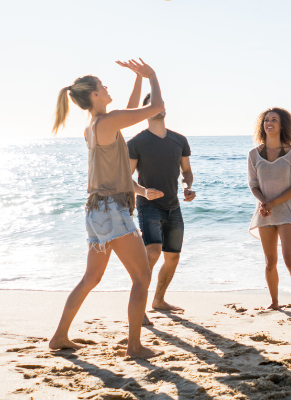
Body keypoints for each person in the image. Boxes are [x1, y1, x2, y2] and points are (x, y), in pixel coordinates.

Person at [48, 59, 165, 358]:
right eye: (103, 86)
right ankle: (135, 346)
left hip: (97, 210)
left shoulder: (95, 125)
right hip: (112, 210)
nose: (107, 87)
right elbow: (153, 109)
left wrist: (138, 79)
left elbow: (127, 115)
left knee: (91, 278)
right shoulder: (107, 122)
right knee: (141, 277)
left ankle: (60, 336)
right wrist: (152, 77)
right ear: (95, 95)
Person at [127, 93, 196, 317]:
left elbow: (186, 171)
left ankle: (158, 300)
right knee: (153, 251)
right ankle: (139, 306)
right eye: (153, 104)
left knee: (173, 256)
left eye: (161, 104)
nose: (159, 108)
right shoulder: (136, 142)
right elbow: (126, 178)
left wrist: (187, 186)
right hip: (148, 206)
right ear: (145, 110)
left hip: (173, 206)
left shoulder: (179, 140)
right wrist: (144, 191)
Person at [247, 108, 291, 318]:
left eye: (274, 120)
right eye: (266, 120)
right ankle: (274, 303)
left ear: (282, 125)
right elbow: (253, 184)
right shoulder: (253, 154)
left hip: (287, 211)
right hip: (265, 211)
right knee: (269, 262)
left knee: (289, 260)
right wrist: (264, 203)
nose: (269, 123)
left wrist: (273, 202)